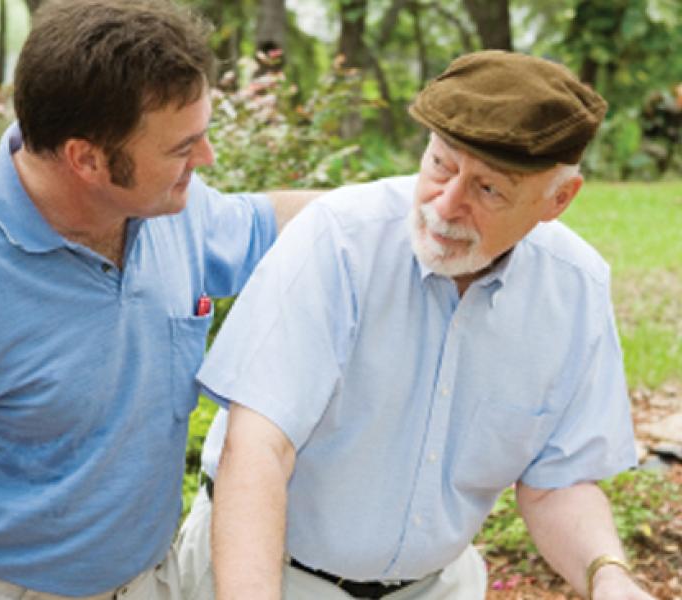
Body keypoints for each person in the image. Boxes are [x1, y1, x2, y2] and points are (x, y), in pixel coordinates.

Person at [176, 51, 656, 600]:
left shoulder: (574, 288)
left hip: (435, 587)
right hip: (272, 575)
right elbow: (257, 449)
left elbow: (558, 483)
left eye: (488, 189)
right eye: (440, 166)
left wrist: (609, 577)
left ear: (558, 199)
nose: (446, 206)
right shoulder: (337, 242)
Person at [0, 1, 320, 599]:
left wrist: (422, 205)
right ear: (85, 158)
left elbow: (277, 223)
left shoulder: (173, 212)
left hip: (144, 582)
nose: (207, 160)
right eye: (181, 147)